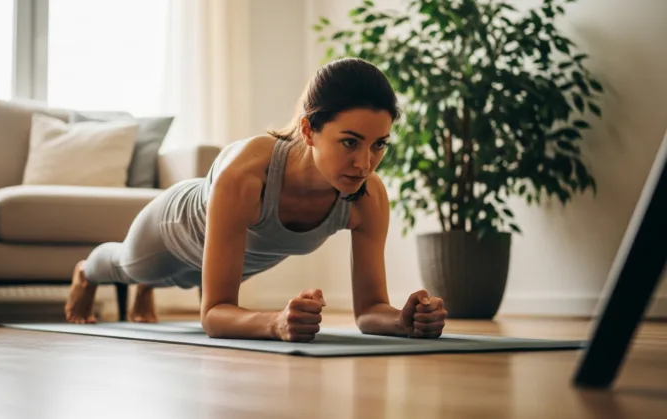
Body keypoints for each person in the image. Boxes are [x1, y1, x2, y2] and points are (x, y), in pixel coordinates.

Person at [64, 57, 448, 342]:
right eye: (349, 142)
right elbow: (213, 314)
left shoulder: (368, 196)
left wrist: (403, 320)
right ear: (308, 130)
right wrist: (275, 322)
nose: (365, 163)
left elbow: (368, 312)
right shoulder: (247, 173)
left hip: (232, 258)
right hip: (171, 232)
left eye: (379, 145)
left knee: (180, 279)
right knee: (128, 267)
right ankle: (87, 272)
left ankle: (148, 290)